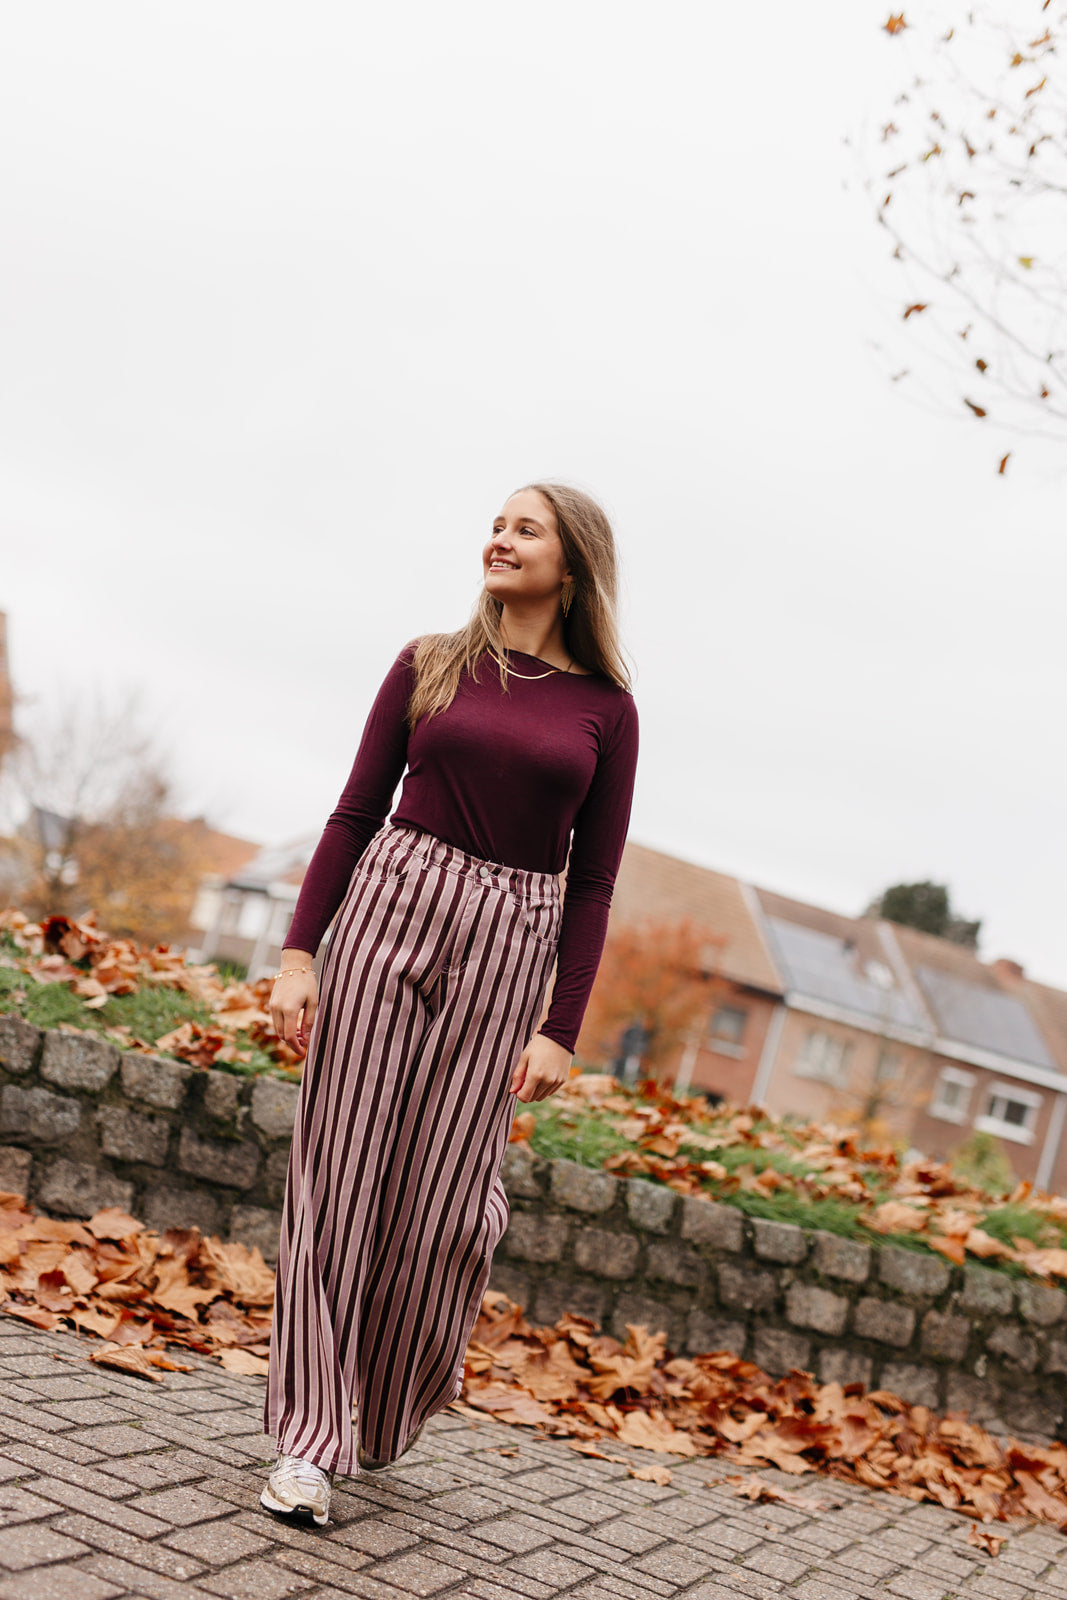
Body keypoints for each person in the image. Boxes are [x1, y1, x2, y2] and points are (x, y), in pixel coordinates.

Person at [260, 482, 639, 1526]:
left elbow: (593, 879)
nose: (499, 538)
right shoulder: (429, 661)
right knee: (336, 1172)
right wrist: (301, 954)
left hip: (514, 934)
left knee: (442, 1213)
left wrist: (560, 1026)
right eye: (497, 523)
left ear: (573, 564)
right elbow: (352, 810)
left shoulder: (606, 709)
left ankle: (373, 1407)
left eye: (526, 528)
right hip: (395, 901)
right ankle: (306, 1437)